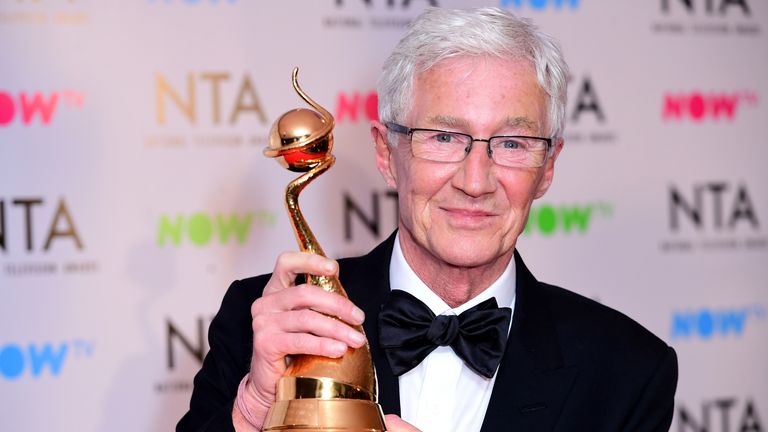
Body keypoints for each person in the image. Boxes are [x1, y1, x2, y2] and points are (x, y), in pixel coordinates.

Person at [177, 7, 678, 432]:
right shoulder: (265, 323)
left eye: (512, 143)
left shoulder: (627, 370)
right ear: (386, 152)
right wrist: (254, 410)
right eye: (443, 138)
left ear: (547, 167)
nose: (475, 181)